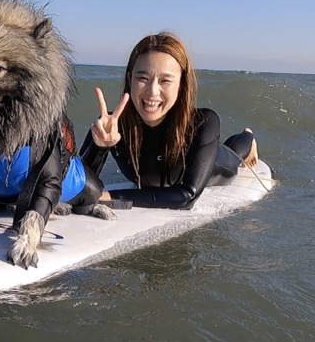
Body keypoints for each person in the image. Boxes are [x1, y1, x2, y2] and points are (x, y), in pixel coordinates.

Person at [79, 31, 258, 210]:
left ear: (181, 85)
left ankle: (248, 137)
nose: (152, 91)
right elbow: (78, 184)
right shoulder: (111, 126)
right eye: (142, 78)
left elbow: (187, 196)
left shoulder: (202, 123)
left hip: (218, 165)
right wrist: (99, 148)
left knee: (235, 153)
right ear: (129, 79)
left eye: (165, 80)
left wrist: (109, 196)